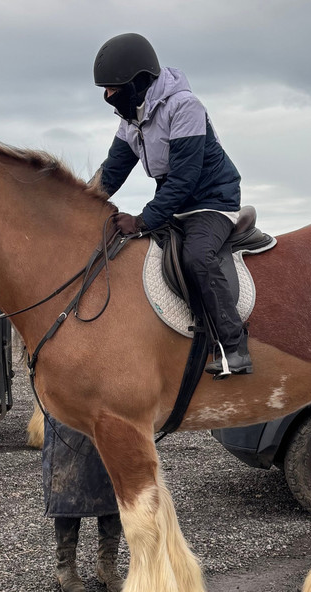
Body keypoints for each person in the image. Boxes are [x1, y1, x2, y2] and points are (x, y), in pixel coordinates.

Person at [93, 32, 252, 377]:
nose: (108, 96)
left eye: (112, 89)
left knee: (197, 256)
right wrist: (79, 202)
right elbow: (112, 172)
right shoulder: (131, 119)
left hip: (211, 198)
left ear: (137, 83)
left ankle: (234, 346)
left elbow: (185, 178)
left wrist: (142, 219)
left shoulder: (185, 107)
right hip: (178, 199)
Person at [42, 413, 125, 592]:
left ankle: (107, 564)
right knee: (67, 484)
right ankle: (65, 565)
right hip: (69, 407)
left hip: (109, 407)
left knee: (113, 483)